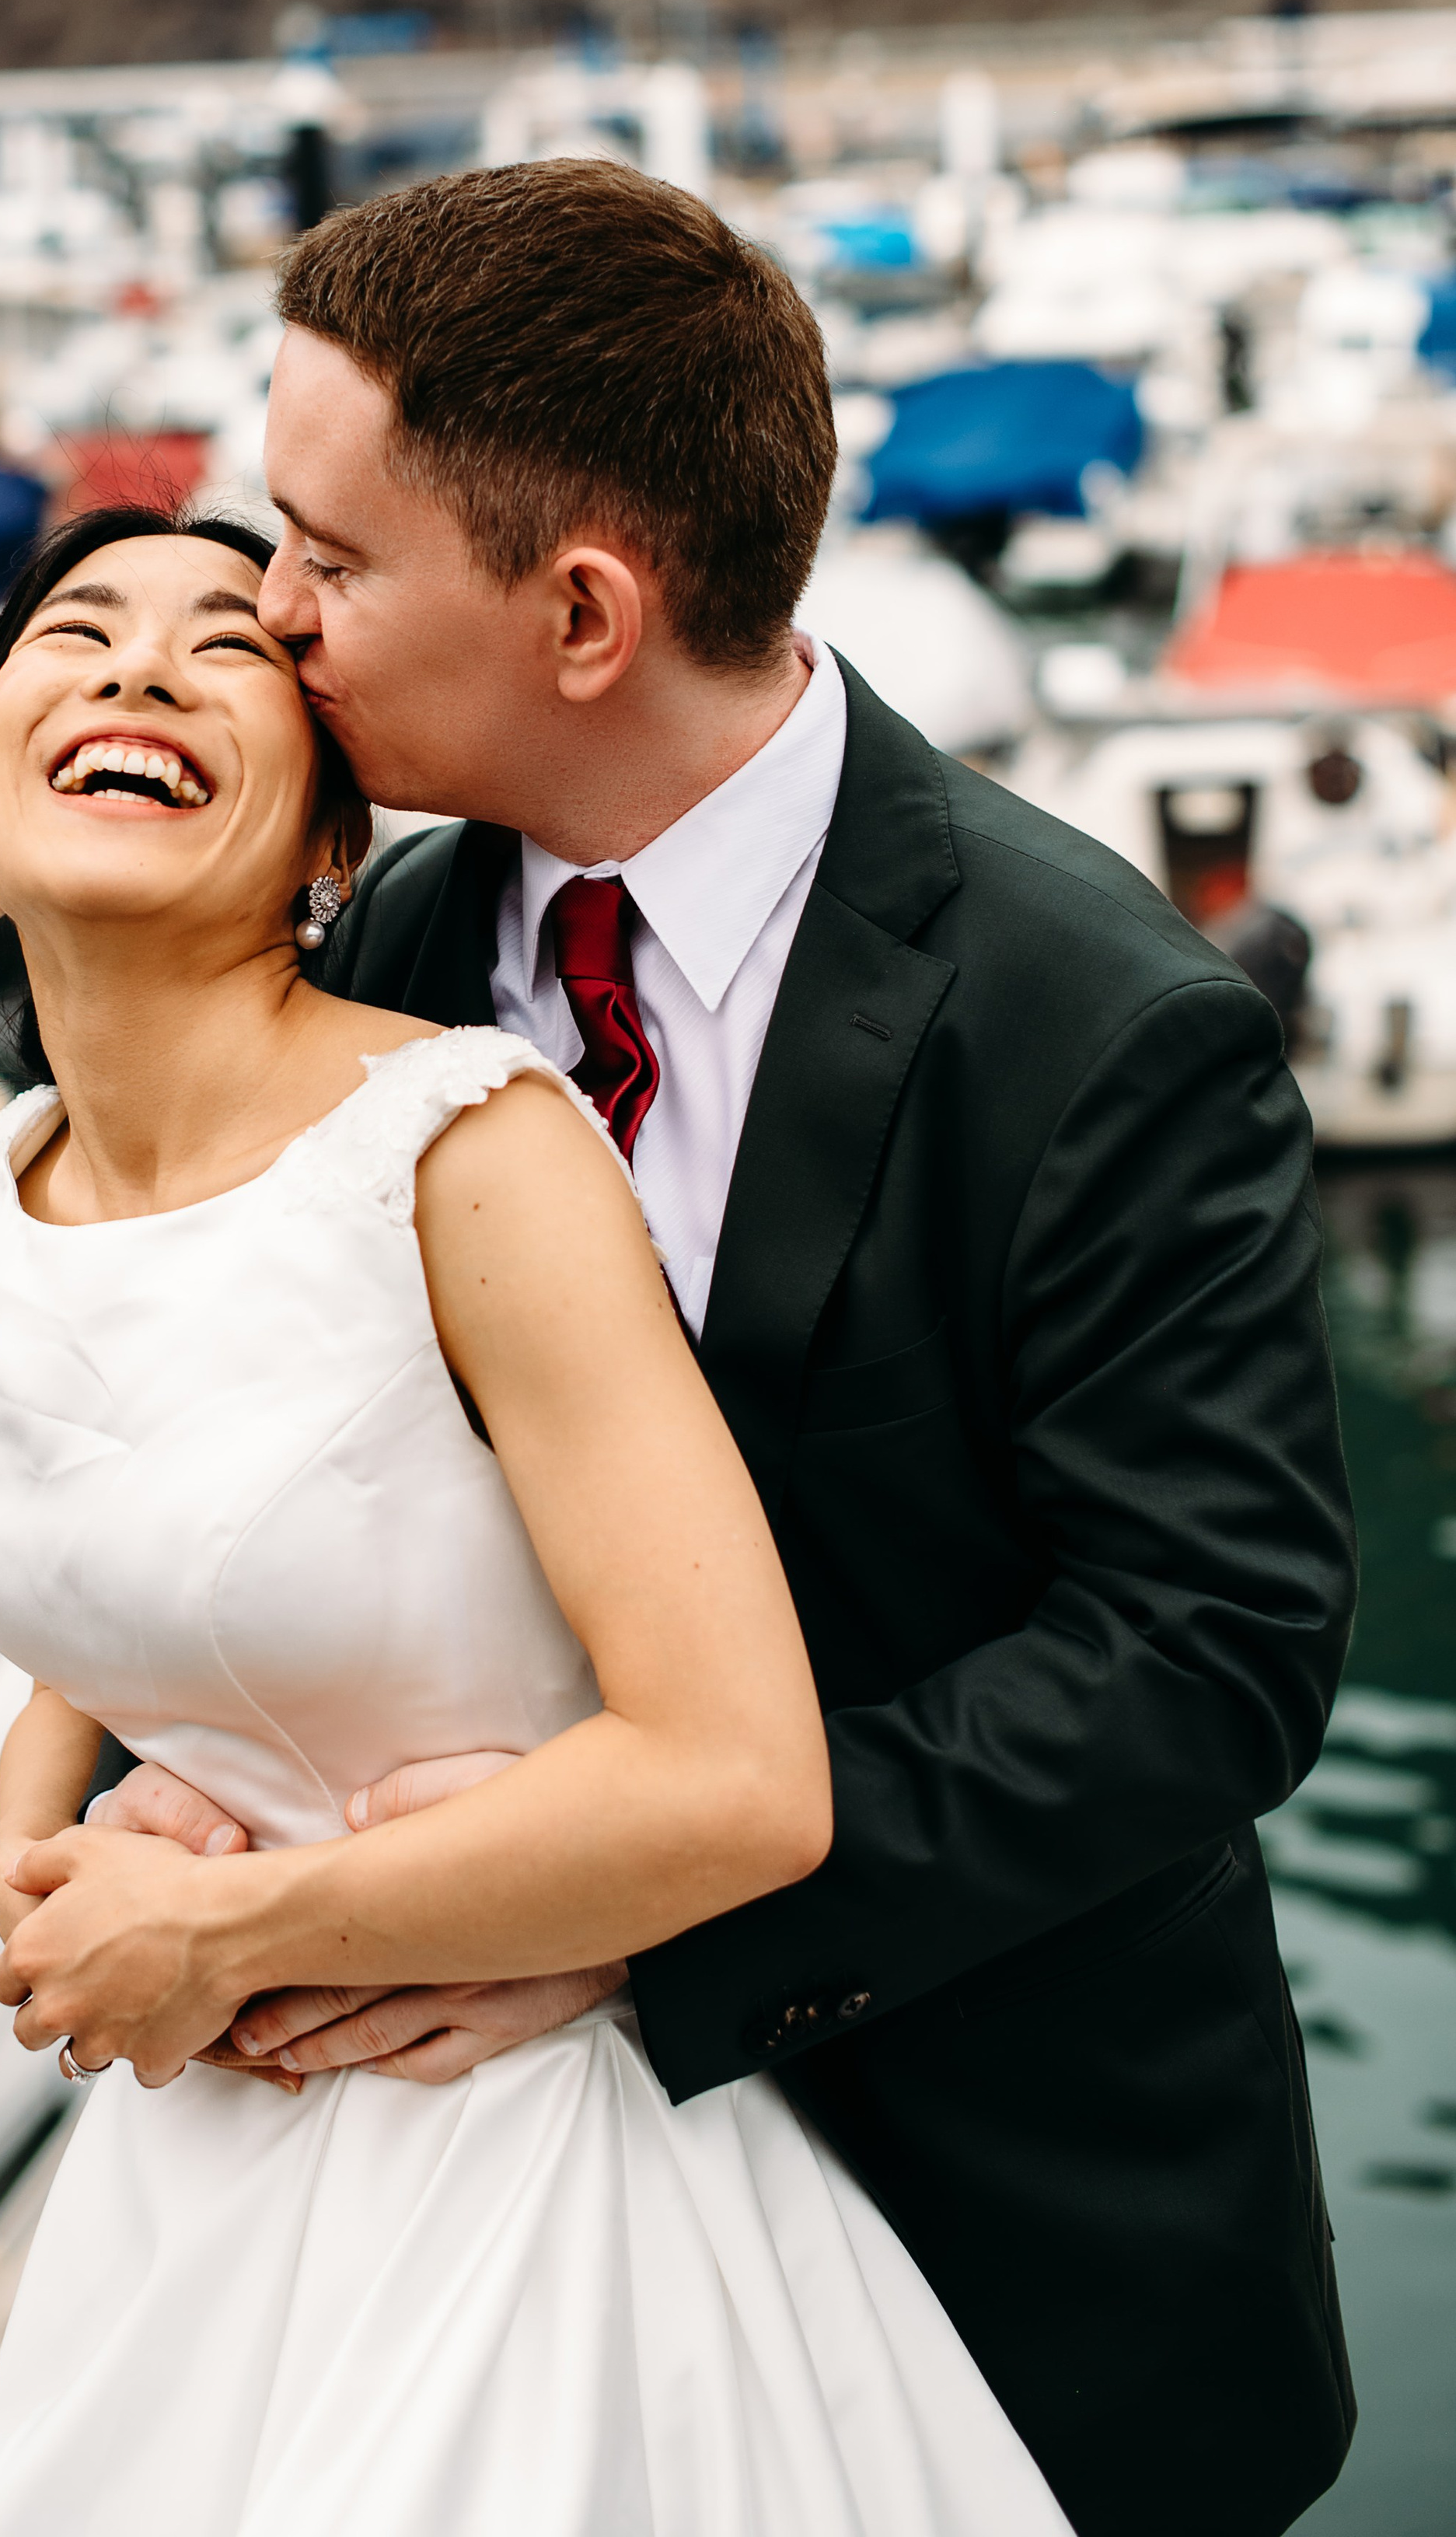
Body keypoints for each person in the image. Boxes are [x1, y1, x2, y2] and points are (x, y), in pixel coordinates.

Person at [95, 161, 1359, 2537]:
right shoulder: (381, 946)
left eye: (329, 557)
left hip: (1011, 2249)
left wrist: (615, 1906)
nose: (275, 624)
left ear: (583, 612)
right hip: (472, 2275)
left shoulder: (1104, 1026)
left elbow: (1211, 1656)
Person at [0, 498, 1077, 2534]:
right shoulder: (12, 1174)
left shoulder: (464, 1149)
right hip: (195, 2183)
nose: (137, 666)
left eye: (226, 642)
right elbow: (70, 1588)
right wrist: (56, 1843)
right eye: (79, 629)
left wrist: (218, 1920)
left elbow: (740, 1781)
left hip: (508, 2167)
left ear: (327, 853)